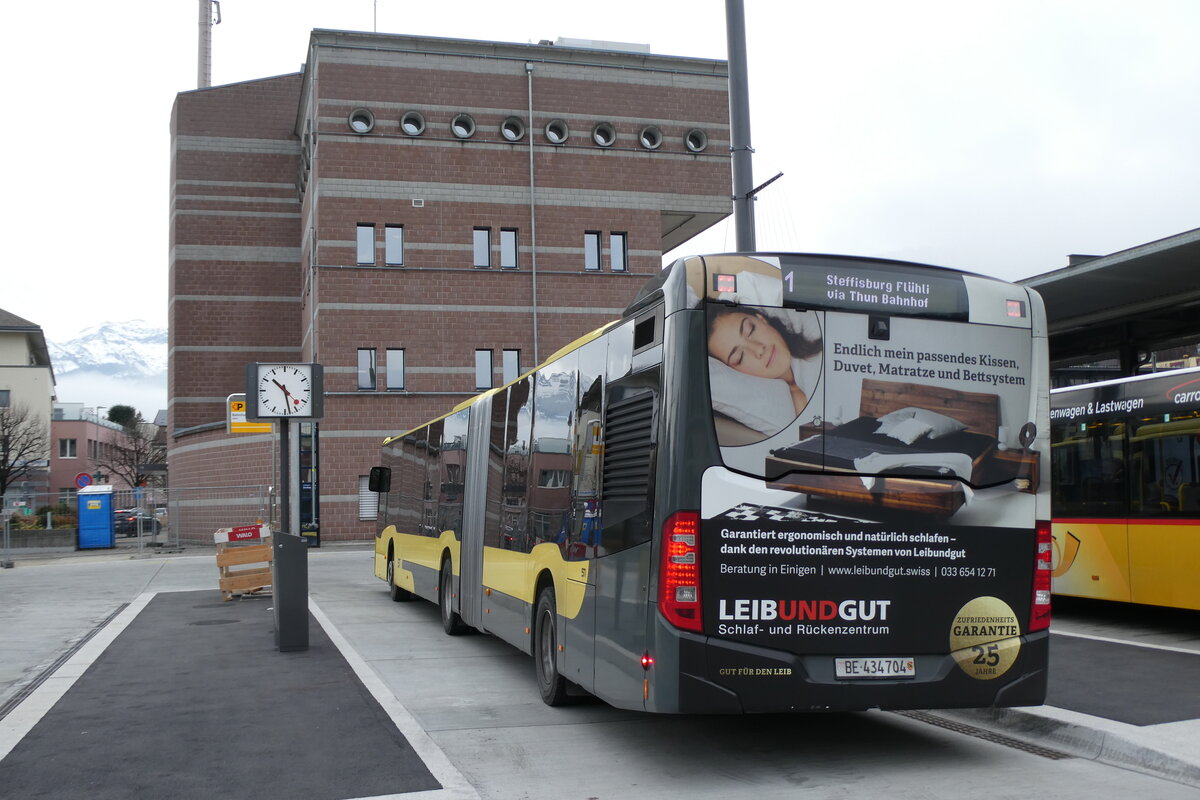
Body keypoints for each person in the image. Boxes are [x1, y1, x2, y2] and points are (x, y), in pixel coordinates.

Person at [707, 306, 822, 416]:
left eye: (750, 330)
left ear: (761, 319)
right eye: (740, 357)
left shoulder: (821, 336)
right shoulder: (781, 406)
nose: (758, 349)